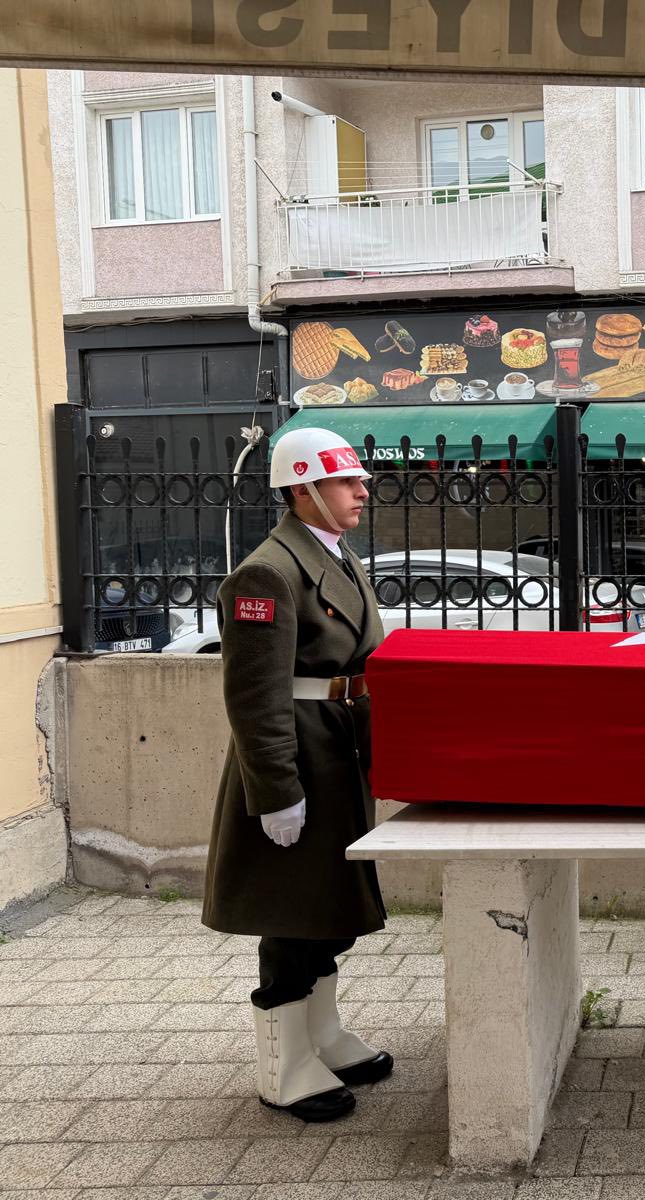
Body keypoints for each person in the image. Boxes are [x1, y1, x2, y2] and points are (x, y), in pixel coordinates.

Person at [202, 427, 390, 1123]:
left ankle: (322, 1035)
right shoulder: (267, 572)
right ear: (302, 489)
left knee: (328, 907)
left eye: (359, 480)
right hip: (300, 759)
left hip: (337, 751)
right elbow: (254, 695)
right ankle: (284, 1067)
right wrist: (277, 793)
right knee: (292, 913)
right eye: (347, 482)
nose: (362, 491)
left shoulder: (329, 553)